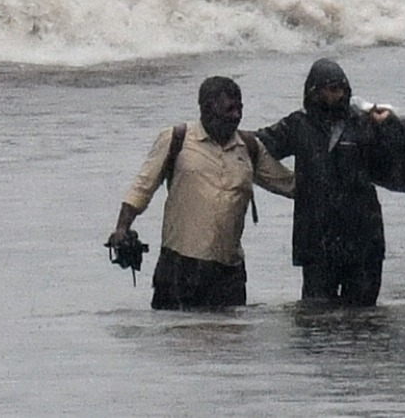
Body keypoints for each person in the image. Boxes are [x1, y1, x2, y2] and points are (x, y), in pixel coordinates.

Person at [107, 76, 294, 310]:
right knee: (179, 340)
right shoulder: (177, 139)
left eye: (240, 109)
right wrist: (122, 228)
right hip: (179, 268)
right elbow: (141, 188)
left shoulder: (250, 147)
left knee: (230, 342)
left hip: (230, 273)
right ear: (207, 108)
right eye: (229, 109)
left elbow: (290, 185)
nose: (236, 115)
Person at [257, 59, 405, 307]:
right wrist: (285, 183)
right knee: (316, 316)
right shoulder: (298, 125)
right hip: (316, 240)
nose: (338, 94)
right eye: (331, 88)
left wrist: (392, 124)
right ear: (313, 91)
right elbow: (258, 146)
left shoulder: (364, 123)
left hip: (364, 238)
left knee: (364, 316)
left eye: (341, 89)